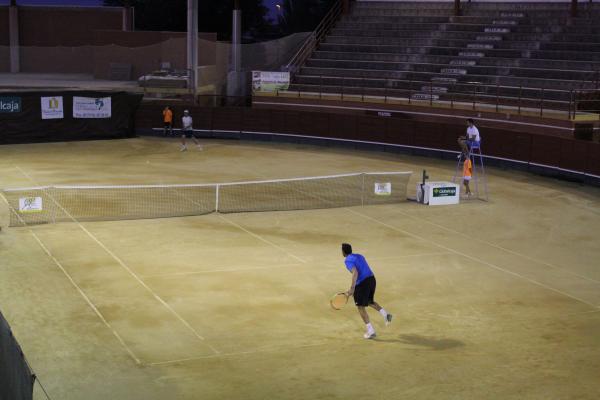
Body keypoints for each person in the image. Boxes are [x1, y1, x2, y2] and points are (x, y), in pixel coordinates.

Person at [342, 243, 392, 339]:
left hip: (362, 284)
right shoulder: (359, 256)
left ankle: (370, 331)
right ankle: (386, 315)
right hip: (372, 279)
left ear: (343, 252)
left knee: (360, 307)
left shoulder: (347, 261)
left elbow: (355, 273)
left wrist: (352, 289)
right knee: (369, 301)